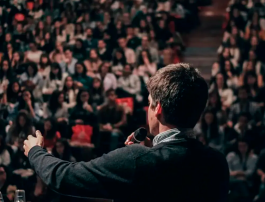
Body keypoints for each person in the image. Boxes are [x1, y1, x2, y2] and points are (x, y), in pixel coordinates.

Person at [23, 63, 229, 202]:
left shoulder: (136, 160)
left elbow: (63, 177)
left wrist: (35, 151)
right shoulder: (217, 162)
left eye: (149, 104)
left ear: (158, 109)